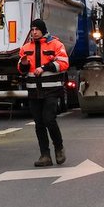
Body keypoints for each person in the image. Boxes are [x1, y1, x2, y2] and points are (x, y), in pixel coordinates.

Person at [18, 18, 70, 167]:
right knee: (39, 123)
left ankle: (59, 148)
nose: (34, 32)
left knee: (49, 119)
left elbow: (64, 63)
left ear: (43, 30)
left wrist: (45, 67)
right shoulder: (25, 48)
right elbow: (21, 69)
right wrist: (24, 65)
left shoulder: (56, 44)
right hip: (34, 92)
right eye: (32, 30)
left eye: (37, 30)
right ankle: (45, 155)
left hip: (51, 90)